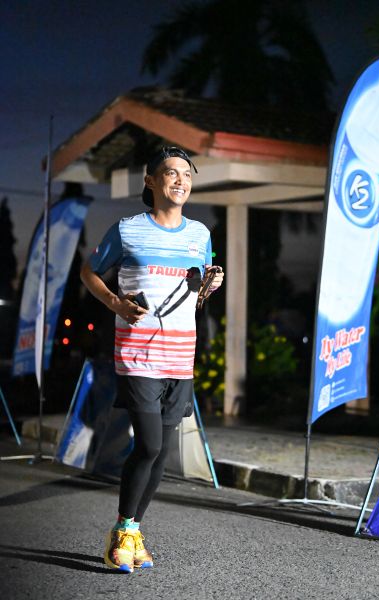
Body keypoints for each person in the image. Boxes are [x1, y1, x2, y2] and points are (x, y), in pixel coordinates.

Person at [80, 146, 224, 573]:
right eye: (171, 173)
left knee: (161, 454)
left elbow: (197, 295)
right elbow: (89, 272)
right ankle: (121, 532)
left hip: (180, 356)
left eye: (187, 174)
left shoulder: (200, 235)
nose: (181, 180)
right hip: (138, 353)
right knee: (150, 445)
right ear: (150, 181)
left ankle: (134, 532)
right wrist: (115, 303)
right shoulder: (127, 230)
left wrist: (209, 286)